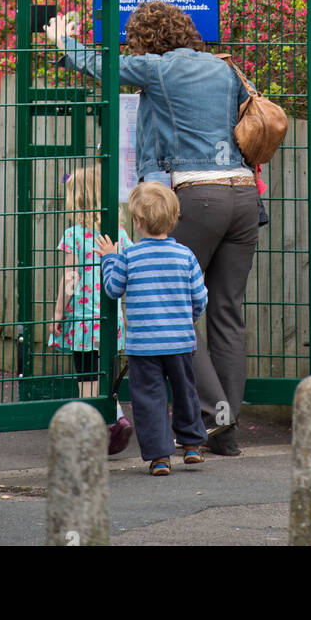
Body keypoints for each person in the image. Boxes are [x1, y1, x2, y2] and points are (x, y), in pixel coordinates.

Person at [46, 0, 260, 456]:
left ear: (146, 40)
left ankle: (213, 410)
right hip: (245, 197)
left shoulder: (159, 68)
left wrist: (62, 40)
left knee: (176, 306)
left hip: (199, 197)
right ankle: (226, 430)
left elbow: (101, 66)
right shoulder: (226, 69)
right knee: (226, 312)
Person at [96, 182, 208, 476]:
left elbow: (112, 288)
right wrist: (190, 317)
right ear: (173, 219)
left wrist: (108, 258)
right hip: (181, 341)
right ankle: (193, 444)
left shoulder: (129, 257)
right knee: (185, 391)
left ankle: (160, 457)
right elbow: (201, 297)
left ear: (138, 221)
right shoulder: (185, 256)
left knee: (149, 399)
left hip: (144, 345)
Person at [49, 162, 134, 456]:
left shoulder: (74, 235)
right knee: (106, 376)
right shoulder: (119, 234)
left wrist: (59, 311)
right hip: (112, 320)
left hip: (84, 321)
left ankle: (90, 434)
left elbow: (70, 277)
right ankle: (118, 418)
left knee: (85, 377)